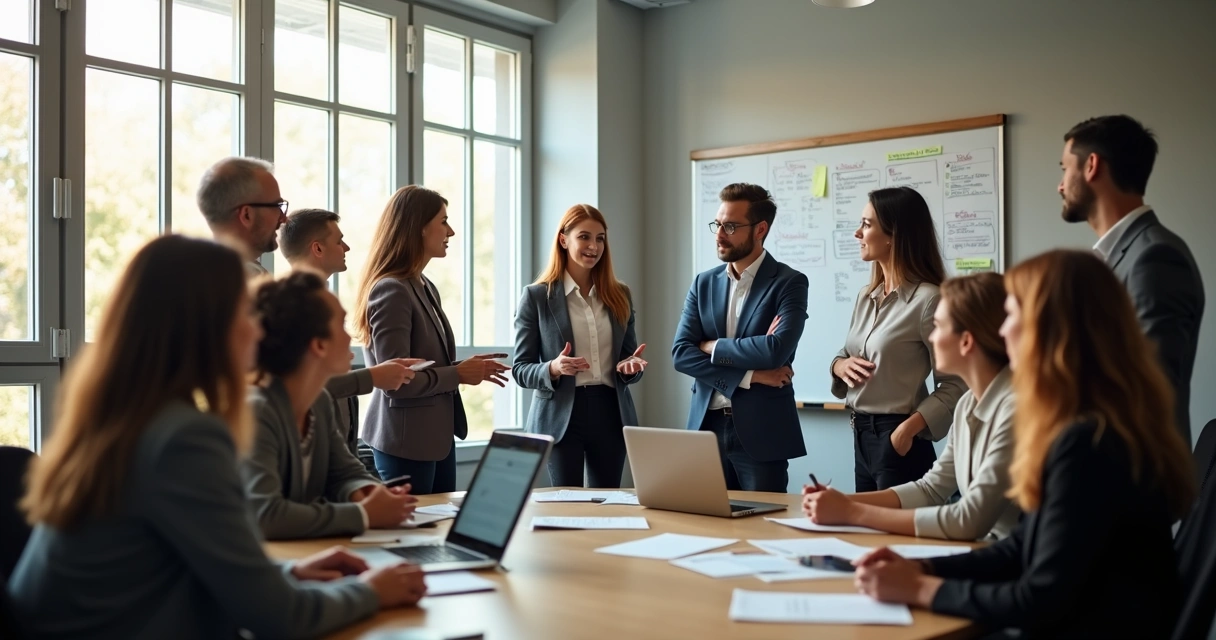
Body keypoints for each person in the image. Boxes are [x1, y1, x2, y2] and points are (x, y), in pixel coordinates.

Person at [8, 236, 426, 640]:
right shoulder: (184, 438)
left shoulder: (124, 418)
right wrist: (373, 590)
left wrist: (285, 573)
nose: (258, 331)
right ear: (207, 325)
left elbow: (160, 563)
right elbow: (281, 618)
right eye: (244, 313)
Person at [854, 250, 1196, 639]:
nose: (1001, 331)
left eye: (1013, 315)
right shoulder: (1092, 421)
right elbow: (1022, 546)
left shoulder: (1090, 441)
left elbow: (1041, 598)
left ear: (1049, 329)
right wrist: (925, 570)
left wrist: (919, 589)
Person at [802, 272, 1020, 541]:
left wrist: (851, 512)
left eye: (938, 326)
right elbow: (931, 489)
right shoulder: (967, 405)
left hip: (1012, 563)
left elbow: (968, 520)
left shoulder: (1015, 410)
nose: (931, 335)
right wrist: (841, 501)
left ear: (966, 341)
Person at [353, 186, 510, 494]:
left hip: (437, 439)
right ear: (419, 228)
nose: (450, 230)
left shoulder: (424, 285)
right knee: (412, 535)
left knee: (436, 530)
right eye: (443, 221)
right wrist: (457, 374)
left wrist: (463, 368)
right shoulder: (391, 290)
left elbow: (423, 362)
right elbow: (395, 381)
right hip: (405, 443)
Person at [241, 271, 419, 539]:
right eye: (343, 324)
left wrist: (370, 493)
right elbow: (266, 515)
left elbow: (344, 472)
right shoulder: (257, 411)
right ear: (319, 345)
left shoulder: (319, 402)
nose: (351, 338)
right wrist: (364, 514)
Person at [1059, 115, 1204, 443]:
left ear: (1092, 165)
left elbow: (1147, 387)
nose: (1061, 185)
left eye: (1064, 168)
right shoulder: (1119, 257)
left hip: (1134, 477)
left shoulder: (1155, 258)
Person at [672, 183, 809, 492]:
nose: (720, 234)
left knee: (762, 529)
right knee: (708, 529)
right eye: (718, 224)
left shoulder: (789, 283)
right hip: (706, 428)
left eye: (730, 226)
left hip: (762, 432)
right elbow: (681, 353)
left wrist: (710, 346)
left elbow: (774, 350)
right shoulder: (703, 283)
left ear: (760, 229)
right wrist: (751, 376)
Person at [831, 186, 965, 492]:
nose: (857, 233)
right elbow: (846, 352)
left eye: (866, 224)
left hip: (899, 439)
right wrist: (839, 366)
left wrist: (908, 429)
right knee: (865, 535)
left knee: (895, 537)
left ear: (893, 234)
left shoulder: (929, 301)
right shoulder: (866, 296)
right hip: (860, 435)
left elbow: (957, 383)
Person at [513, 204, 648, 488]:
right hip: (561, 417)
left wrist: (629, 367)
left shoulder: (619, 295)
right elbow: (521, 369)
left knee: (607, 503)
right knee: (567, 506)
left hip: (611, 412)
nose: (594, 246)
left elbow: (628, 358)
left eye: (600, 238)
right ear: (564, 239)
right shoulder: (536, 297)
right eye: (584, 237)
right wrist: (553, 367)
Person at [278, 207, 388, 461]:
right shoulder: (290, 308)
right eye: (339, 241)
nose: (346, 247)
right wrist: (373, 377)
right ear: (317, 249)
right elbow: (299, 388)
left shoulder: (321, 301)